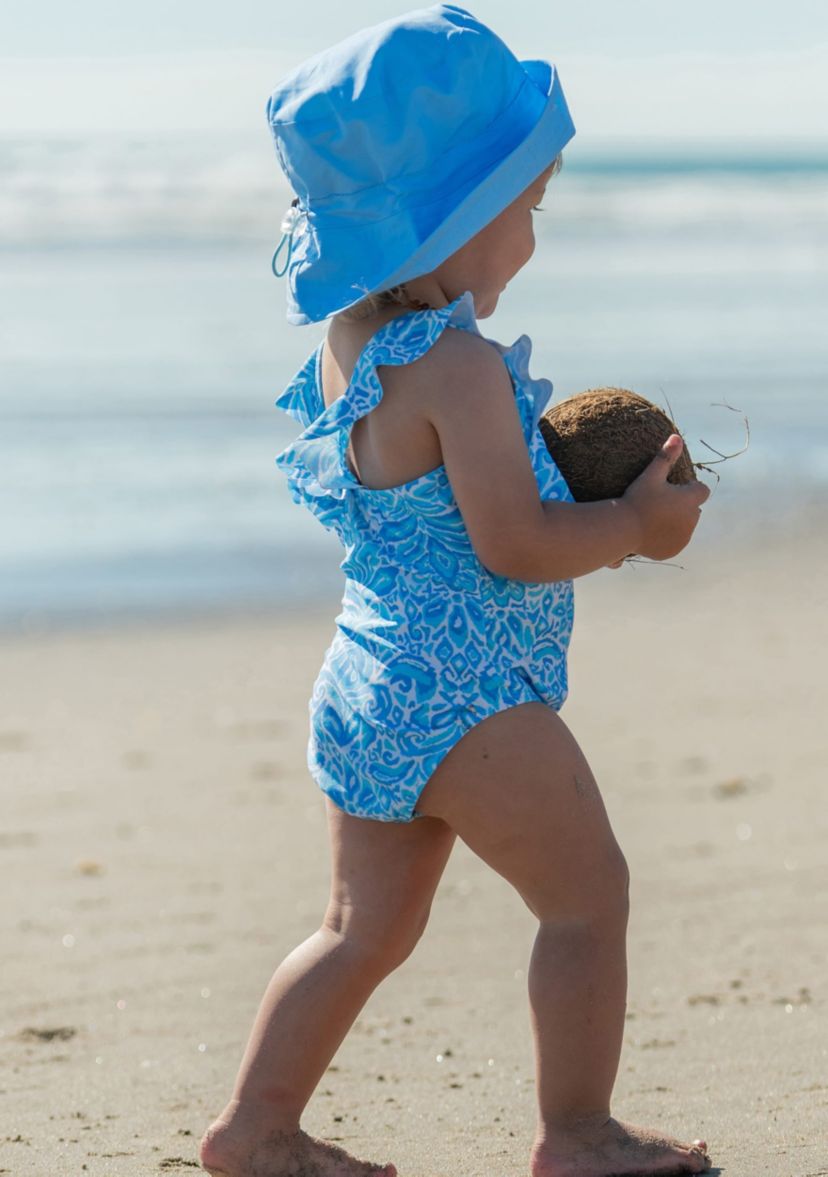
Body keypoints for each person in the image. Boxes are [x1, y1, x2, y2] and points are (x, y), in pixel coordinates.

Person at [200, 6, 712, 1176]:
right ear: (456, 217)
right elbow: (517, 542)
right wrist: (635, 524)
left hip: (372, 677)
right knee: (588, 899)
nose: (533, 227)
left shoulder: (355, 337)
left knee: (359, 929)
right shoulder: (465, 367)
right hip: (468, 690)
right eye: (526, 206)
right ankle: (577, 1130)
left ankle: (257, 1127)